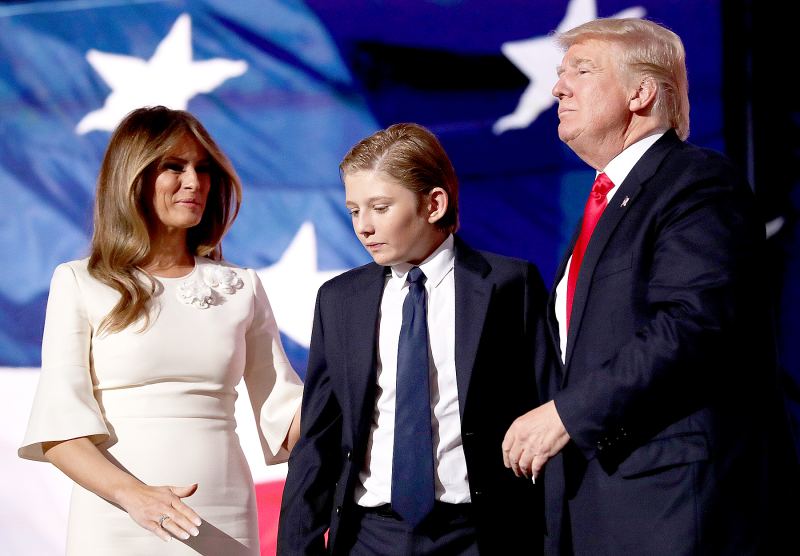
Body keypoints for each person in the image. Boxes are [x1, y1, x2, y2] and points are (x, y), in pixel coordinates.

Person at [501, 18, 798, 555]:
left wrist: (568, 413)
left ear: (641, 92)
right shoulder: (607, 202)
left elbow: (694, 323)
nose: (557, 87)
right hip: (598, 502)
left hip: (674, 502)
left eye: (581, 70)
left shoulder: (695, 181)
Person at [18, 106, 303, 555]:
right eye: (174, 166)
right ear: (133, 177)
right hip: (116, 518)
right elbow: (59, 432)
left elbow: (287, 417)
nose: (194, 182)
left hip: (224, 516)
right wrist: (135, 497)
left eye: (203, 169)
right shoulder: (80, 281)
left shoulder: (241, 287)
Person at [277, 123, 549, 554]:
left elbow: (545, 413)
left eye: (380, 207)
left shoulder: (510, 285)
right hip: (369, 536)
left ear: (434, 203)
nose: (363, 227)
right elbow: (319, 439)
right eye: (353, 211)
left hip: (479, 535)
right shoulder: (340, 300)